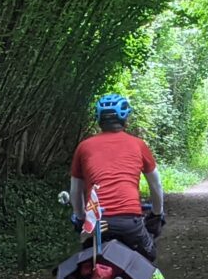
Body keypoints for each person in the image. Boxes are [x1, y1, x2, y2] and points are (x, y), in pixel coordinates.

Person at [70, 93, 165, 261]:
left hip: (97, 223)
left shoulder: (83, 147)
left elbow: (75, 191)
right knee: (148, 256)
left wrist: (80, 217)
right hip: (129, 223)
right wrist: (157, 213)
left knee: (88, 263)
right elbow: (155, 185)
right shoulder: (138, 144)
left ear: (99, 119)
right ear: (124, 118)